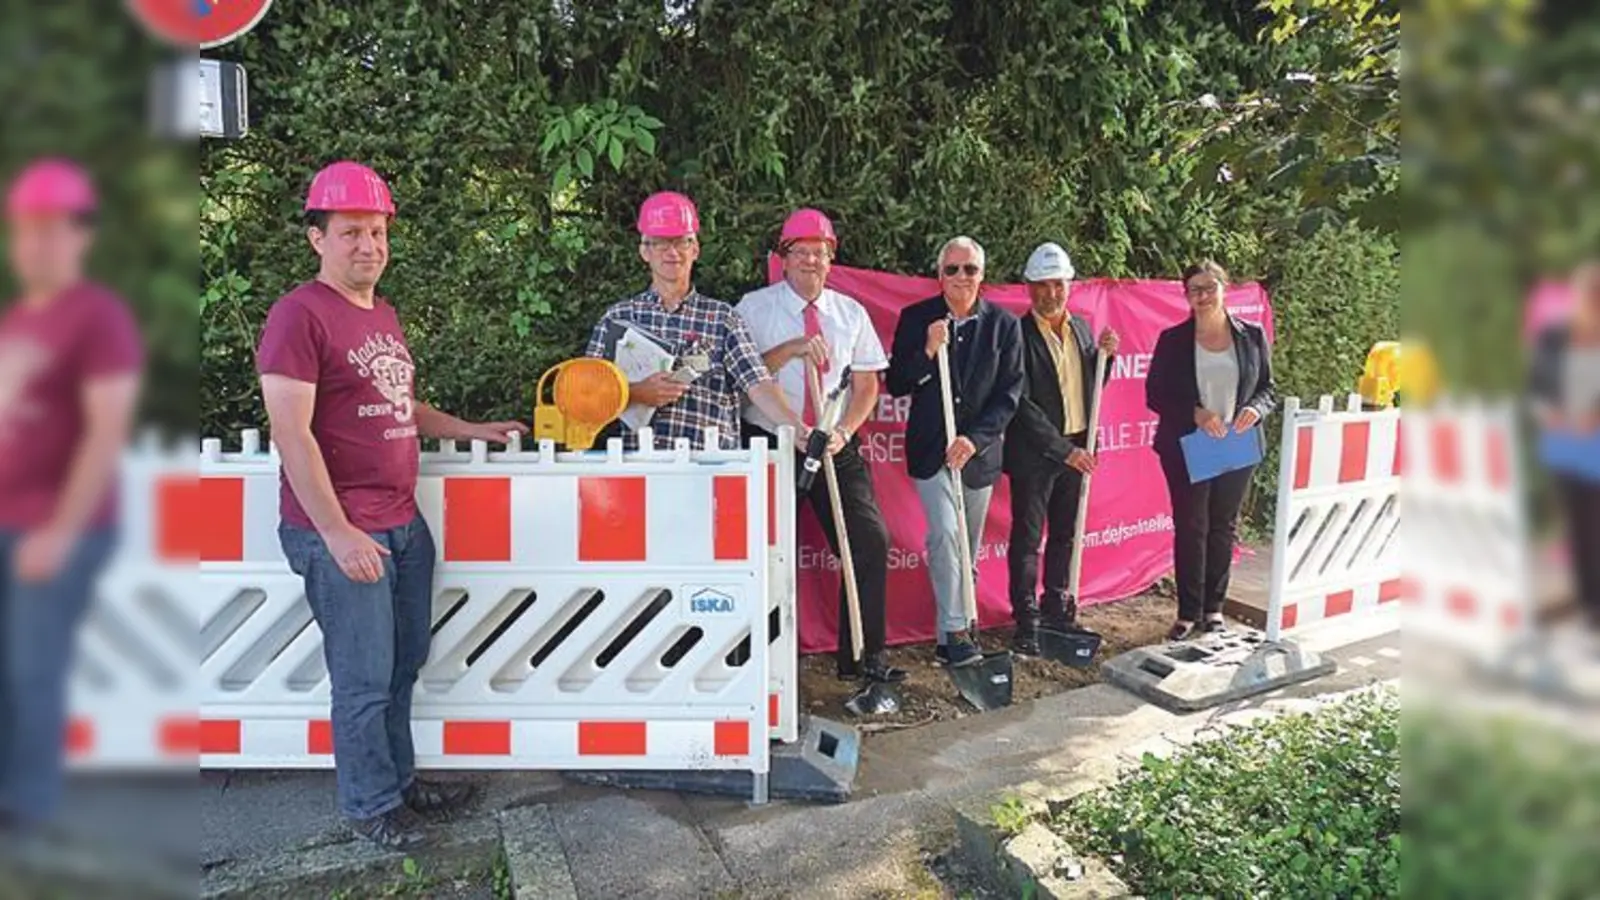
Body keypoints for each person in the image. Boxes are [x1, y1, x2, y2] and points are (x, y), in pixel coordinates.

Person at [256, 161, 528, 851]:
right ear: (317, 238)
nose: (368, 245)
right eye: (350, 232)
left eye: (376, 231)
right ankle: (372, 806)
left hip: (403, 523)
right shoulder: (298, 316)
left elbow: (397, 402)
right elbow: (291, 432)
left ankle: (402, 785)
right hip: (345, 530)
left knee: (402, 666)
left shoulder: (381, 313)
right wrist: (337, 531)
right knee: (364, 678)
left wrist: (471, 430)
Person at [0, 158, 144, 841]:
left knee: (32, 667)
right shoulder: (16, 318)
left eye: (57, 230)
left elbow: (106, 428)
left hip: (57, 525)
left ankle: (27, 816)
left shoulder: (98, 317)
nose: (41, 243)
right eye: (31, 229)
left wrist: (59, 530)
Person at [735, 209, 906, 686]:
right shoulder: (753, 308)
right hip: (771, 442)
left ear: (831, 259)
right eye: (801, 252)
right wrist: (790, 348)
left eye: (820, 252)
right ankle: (762, 661)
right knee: (766, 551)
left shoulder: (850, 314)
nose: (811, 260)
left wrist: (846, 430)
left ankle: (863, 655)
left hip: (832, 441)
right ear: (783, 259)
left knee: (869, 541)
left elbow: (868, 384)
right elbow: (740, 375)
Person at [886, 236, 1023, 667]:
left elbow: (1010, 394)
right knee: (945, 534)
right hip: (932, 452)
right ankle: (958, 629)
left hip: (977, 457)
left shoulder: (1003, 325)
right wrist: (928, 350)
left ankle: (953, 635)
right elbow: (897, 384)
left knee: (966, 546)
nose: (962, 277)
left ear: (982, 275)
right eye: (953, 269)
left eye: (971, 269)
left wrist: (975, 438)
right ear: (939, 275)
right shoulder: (917, 319)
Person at [585, 191, 809, 450]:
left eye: (681, 242)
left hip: (712, 469)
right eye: (660, 243)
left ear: (695, 249)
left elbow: (757, 383)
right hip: (642, 472)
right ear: (644, 251)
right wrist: (636, 393)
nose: (672, 252)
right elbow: (587, 395)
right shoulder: (618, 319)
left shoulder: (722, 318)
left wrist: (798, 428)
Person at [1145, 260, 1275, 640]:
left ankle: (1214, 610)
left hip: (1237, 443)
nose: (1202, 296)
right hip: (1189, 443)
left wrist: (1255, 409)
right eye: (1194, 290)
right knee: (1191, 526)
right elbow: (1154, 394)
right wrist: (1195, 413)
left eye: (1208, 287)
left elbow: (1268, 388)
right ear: (1186, 296)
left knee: (1223, 526)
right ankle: (1187, 613)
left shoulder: (1251, 336)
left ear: (1224, 288)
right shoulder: (1173, 340)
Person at [1002, 242, 1118, 656]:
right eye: (1042, 285)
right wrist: (1059, 449)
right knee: (1028, 537)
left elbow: (1090, 391)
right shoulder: (1016, 333)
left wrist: (1108, 358)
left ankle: (1057, 607)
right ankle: (1026, 618)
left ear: (1069, 285)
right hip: (1037, 454)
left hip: (1078, 447)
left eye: (1058, 284)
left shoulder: (1083, 329)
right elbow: (1020, 402)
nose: (1051, 293)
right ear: (1028, 288)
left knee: (1066, 535)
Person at [1529, 261, 1600, 633]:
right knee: (1581, 526)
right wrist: (1554, 416)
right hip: (1567, 447)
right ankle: (1590, 604)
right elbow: (1539, 386)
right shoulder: (1555, 336)